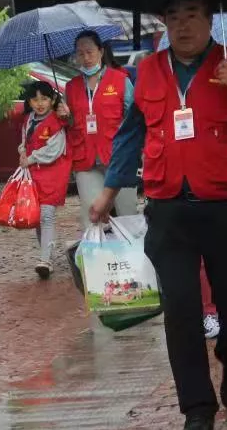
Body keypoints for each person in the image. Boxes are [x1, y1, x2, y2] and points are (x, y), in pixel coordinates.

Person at [89, 0, 227, 430]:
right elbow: (129, 137)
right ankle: (197, 409)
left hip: (223, 207)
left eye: (191, 15)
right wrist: (108, 192)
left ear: (210, 20)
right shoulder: (147, 73)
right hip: (168, 210)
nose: (182, 25)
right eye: (172, 17)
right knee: (180, 310)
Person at [61, 31, 138, 229]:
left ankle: (131, 258)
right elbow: (69, 124)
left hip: (118, 158)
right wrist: (64, 116)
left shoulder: (121, 81)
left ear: (101, 52)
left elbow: (136, 118)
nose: (85, 58)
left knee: (127, 215)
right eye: (80, 53)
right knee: (92, 215)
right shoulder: (71, 87)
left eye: (90, 52)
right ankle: (97, 258)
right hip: (86, 160)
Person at [19, 81, 72, 279]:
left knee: (47, 215)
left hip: (53, 174)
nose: (40, 103)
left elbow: (54, 150)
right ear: (29, 101)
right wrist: (22, 152)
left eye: (45, 98)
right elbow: (23, 141)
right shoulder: (28, 120)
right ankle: (45, 256)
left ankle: (45, 260)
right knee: (38, 219)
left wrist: (31, 158)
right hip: (33, 175)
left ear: (52, 100)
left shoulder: (57, 121)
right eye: (35, 99)